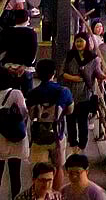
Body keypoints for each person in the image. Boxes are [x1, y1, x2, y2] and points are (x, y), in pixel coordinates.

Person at [27, 60, 71, 188]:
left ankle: (40, 194)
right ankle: (56, 194)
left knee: (39, 169)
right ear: (54, 73)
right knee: (58, 167)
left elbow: (30, 114)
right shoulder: (64, 91)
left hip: (38, 135)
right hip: (58, 134)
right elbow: (70, 110)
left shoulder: (32, 93)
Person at [60, 34, 104, 151]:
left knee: (82, 120)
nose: (78, 44)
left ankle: (82, 144)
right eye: (77, 41)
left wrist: (105, 77)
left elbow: (97, 72)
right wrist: (72, 78)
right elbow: (62, 72)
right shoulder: (70, 56)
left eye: (81, 41)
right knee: (70, 119)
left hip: (85, 93)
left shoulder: (94, 58)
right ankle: (73, 142)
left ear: (87, 42)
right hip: (70, 93)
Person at [0, 82, 28, 198]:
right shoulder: (16, 93)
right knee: (15, 174)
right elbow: (24, 113)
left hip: (0, 138)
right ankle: (15, 197)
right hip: (16, 140)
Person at [1, 9, 39, 93]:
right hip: (26, 69)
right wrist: (24, 66)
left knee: (11, 94)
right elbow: (33, 52)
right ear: (27, 19)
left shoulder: (7, 32)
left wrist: (6, 66)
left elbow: (2, 50)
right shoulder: (31, 33)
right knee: (27, 96)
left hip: (9, 67)